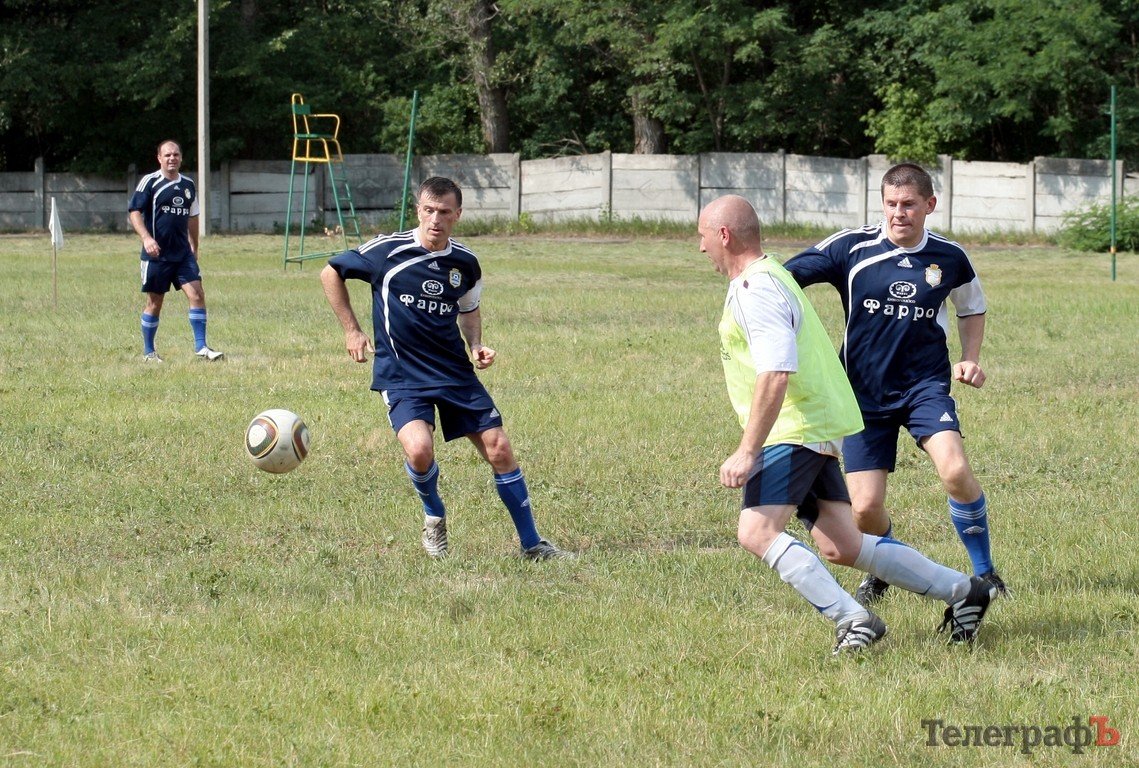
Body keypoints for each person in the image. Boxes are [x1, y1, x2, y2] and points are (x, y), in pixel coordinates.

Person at [700, 194, 996, 654]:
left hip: (794, 428)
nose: (701, 249)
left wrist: (747, 449)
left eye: (702, 238)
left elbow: (776, 371)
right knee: (844, 544)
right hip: (815, 422)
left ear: (723, 236)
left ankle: (852, 619)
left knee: (756, 532)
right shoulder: (771, 277)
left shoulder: (756, 290)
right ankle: (966, 590)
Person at [784, 163, 1006, 606]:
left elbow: (972, 307)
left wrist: (970, 359)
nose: (898, 213)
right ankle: (887, 567)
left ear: (929, 205)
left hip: (924, 386)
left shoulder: (949, 257)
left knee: (956, 471)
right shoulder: (852, 247)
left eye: (908, 205)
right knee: (864, 509)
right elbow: (788, 277)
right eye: (890, 204)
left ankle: (985, 573)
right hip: (861, 395)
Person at [321, 176, 569, 561]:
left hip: (454, 372)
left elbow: (468, 309)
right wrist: (352, 331)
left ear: (458, 215)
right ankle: (434, 515)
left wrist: (476, 345)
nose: (435, 219)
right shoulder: (386, 251)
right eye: (429, 210)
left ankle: (532, 544)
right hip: (403, 374)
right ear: (418, 210)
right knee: (420, 451)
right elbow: (330, 272)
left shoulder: (465, 263)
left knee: (500, 448)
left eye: (444, 212)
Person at [128, 140, 224, 363]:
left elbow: (193, 216)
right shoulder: (150, 182)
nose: (172, 158)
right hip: (157, 255)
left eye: (176, 155)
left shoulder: (188, 185)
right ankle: (149, 352)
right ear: (159, 158)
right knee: (155, 302)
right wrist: (146, 238)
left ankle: (201, 348)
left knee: (197, 294)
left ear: (181, 158)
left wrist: (195, 245)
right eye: (168, 155)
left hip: (182, 255)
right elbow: (134, 212)